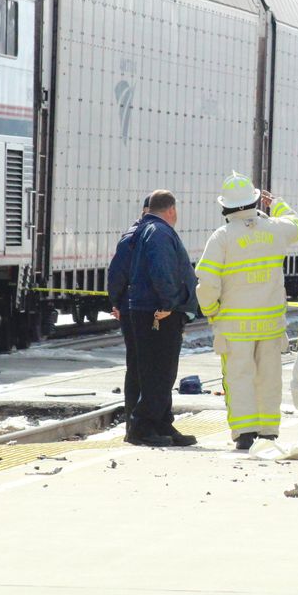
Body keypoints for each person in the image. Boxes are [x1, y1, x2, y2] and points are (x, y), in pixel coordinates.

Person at [196, 171, 298, 450]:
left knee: (239, 377)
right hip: (270, 324)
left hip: (234, 326)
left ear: (225, 207)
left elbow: (207, 282)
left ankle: (245, 433)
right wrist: (277, 203)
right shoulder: (275, 229)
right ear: (256, 201)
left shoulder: (221, 237)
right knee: (269, 376)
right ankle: (268, 431)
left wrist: (211, 311)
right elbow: (297, 225)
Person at [127, 190, 199, 447]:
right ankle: (143, 426)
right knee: (159, 371)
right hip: (158, 312)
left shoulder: (147, 229)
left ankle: (161, 422)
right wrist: (169, 302)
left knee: (161, 371)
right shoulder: (159, 232)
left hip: (150, 309)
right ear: (171, 210)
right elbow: (162, 269)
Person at [106, 194, 150, 440]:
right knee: (138, 367)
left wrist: (116, 301)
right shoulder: (134, 238)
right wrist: (117, 302)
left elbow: (116, 276)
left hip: (131, 307)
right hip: (136, 310)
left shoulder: (134, 236)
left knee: (136, 366)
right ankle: (135, 425)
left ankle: (135, 423)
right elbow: (117, 275)